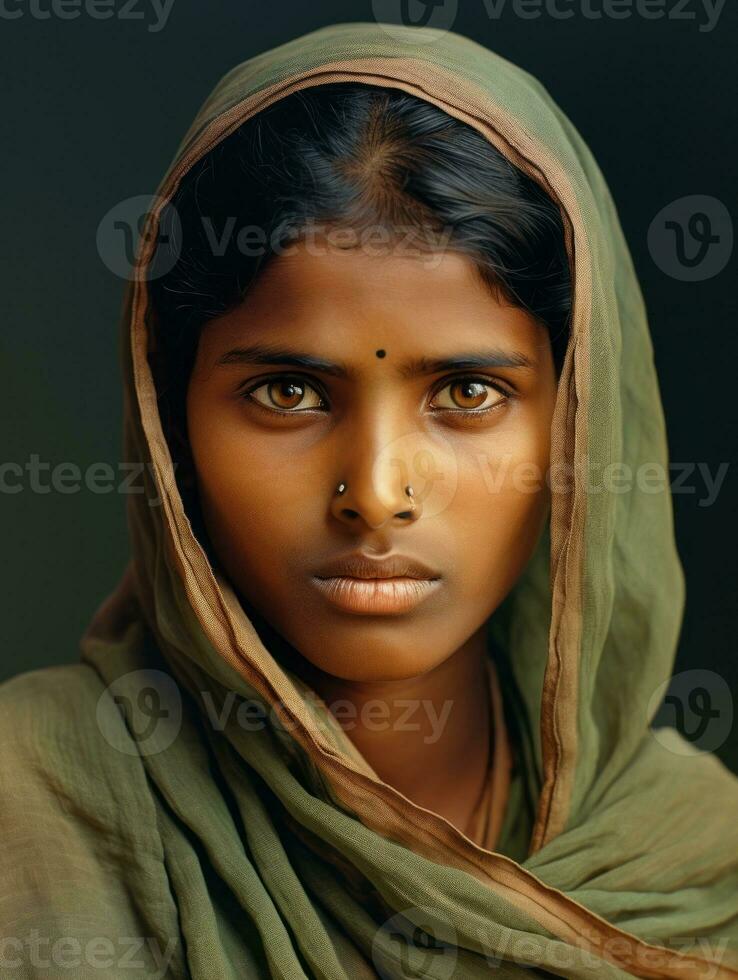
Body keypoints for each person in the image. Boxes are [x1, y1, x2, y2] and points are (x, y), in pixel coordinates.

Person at [1, 21, 736, 980]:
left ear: (578, 428)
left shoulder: (702, 860)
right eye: (289, 393)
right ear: (167, 419)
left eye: (467, 394)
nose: (377, 494)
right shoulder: (33, 808)